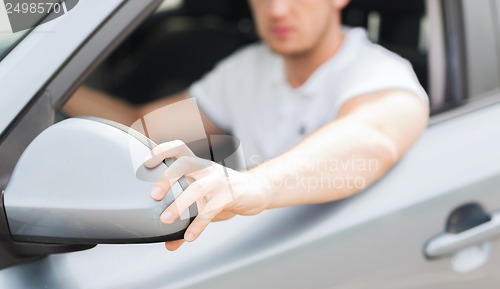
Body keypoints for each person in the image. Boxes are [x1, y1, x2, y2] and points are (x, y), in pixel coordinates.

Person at [65, 0, 429, 251]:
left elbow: (370, 139)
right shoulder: (250, 67)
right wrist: (52, 88)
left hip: (342, 256)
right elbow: (140, 127)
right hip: (256, 250)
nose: (277, 10)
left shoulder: (380, 73)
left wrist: (252, 184)